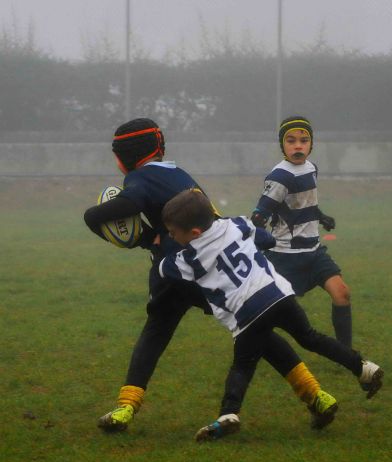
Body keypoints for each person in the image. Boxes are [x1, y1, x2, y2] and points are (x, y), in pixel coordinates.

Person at [83, 117, 342, 433]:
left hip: (180, 270)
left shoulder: (141, 177)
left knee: (156, 333)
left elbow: (128, 203)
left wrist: (97, 220)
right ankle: (316, 395)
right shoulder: (176, 173)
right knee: (256, 329)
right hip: (214, 268)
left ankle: (126, 407)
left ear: (126, 155)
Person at [159, 189, 384, 442]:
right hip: (278, 295)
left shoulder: (188, 258)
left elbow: (165, 270)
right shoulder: (237, 224)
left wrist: (160, 243)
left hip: (247, 314)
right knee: (310, 337)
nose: (171, 236)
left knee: (243, 365)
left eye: (173, 232)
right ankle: (363, 368)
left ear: (194, 233)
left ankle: (229, 413)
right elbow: (266, 240)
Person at [251, 116, 353, 347]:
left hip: (314, 253)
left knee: (342, 293)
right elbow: (260, 215)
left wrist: (321, 216)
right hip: (284, 256)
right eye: (291, 140)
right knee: (270, 313)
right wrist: (254, 232)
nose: (298, 145)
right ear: (282, 145)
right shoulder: (279, 177)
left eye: (304, 140)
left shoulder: (311, 169)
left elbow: (304, 203)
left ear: (311, 144)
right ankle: (254, 348)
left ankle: (346, 354)